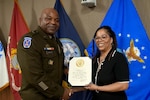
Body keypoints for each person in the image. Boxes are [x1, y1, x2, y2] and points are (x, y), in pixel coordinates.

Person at [17, 8, 72, 100]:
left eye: (57, 20)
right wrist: (60, 92)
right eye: (48, 19)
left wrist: (69, 71)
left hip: (52, 95)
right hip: (36, 96)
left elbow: (56, 68)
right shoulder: (31, 41)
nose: (53, 22)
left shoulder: (56, 42)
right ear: (40, 20)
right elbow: (34, 76)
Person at [85, 26, 129, 100]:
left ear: (111, 40)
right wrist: (72, 90)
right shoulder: (95, 60)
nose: (100, 40)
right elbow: (90, 84)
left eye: (104, 37)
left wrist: (97, 88)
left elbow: (123, 85)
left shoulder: (118, 57)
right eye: (97, 38)